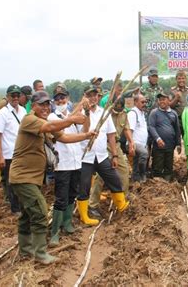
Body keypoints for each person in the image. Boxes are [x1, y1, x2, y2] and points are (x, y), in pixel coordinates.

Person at [9, 91, 93, 264]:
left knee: (26, 214)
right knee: (40, 212)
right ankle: (40, 253)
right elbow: (50, 128)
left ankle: (25, 250)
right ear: (33, 106)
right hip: (22, 178)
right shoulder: (29, 119)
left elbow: (65, 137)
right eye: (42, 104)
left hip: (33, 179)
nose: (46, 108)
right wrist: (71, 120)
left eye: (48, 104)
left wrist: (86, 135)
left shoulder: (45, 123)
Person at [77, 85, 130, 226]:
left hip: (101, 155)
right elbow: (85, 130)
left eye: (95, 95)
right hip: (86, 156)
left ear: (99, 97)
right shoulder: (80, 113)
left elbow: (111, 135)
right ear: (84, 97)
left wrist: (114, 155)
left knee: (114, 179)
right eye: (89, 95)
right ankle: (84, 215)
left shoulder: (104, 113)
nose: (92, 98)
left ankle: (122, 206)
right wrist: (87, 113)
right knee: (85, 186)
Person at [47, 87, 87, 246]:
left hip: (76, 162)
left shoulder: (73, 116)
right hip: (62, 165)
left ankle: (67, 223)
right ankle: (54, 232)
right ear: (54, 101)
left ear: (67, 98)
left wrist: (85, 112)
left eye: (63, 98)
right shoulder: (52, 116)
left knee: (72, 194)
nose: (60, 101)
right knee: (61, 197)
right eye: (57, 99)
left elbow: (82, 129)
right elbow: (63, 126)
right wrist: (78, 108)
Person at [89, 96, 134, 217]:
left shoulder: (124, 113)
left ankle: (122, 197)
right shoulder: (105, 114)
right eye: (116, 109)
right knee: (100, 176)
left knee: (124, 170)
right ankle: (93, 204)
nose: (117, 111)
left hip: (116, 145)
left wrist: (131, 142)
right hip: (103, 145)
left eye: (120, 109)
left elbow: (126, 128)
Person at [0, 85, 27, 213]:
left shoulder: (23, 111)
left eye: (17, 95)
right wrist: (0, 156)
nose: (15, 98)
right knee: (11, 181)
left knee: (23, 179)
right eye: (12, 95)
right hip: (9, 154)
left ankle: (22, 204)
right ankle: (15, 207)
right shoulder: (2, 113)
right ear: (7, 97)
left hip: (23, 152)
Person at [148, 92, 181, 182]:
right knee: (157, 165)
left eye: (164, 99)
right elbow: (151, 127)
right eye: (160, 100)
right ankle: (157, 184)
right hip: (158, 146)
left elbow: (177, 129)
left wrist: (178, 143)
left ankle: (167, 185)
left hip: (170, 145)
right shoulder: (154, 113)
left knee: (168, 165)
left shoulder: (173, 113)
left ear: (169, 100)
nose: (161, 101)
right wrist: (157, 138)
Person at [128, 94, 149, 183]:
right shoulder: (133, 113)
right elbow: (129, 130)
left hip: (141, 143)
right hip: (135, 142)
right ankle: (142, 174)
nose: (144, 104)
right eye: (142, 102)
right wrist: (131, 144)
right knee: (144, 154)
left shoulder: (142, 113)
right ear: (136, 102)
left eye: (145, 102)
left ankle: (135, 180)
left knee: (136, 162)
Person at [169, 70, 188, 134]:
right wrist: (176, 98)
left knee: (187, 140)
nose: (181, 80)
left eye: (183, 78)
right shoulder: (172, 91)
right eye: (179, 78)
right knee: (177, 141)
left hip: (187, 120)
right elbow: (169, 106)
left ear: (186, 79)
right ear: (176, 79)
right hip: (177, 120)